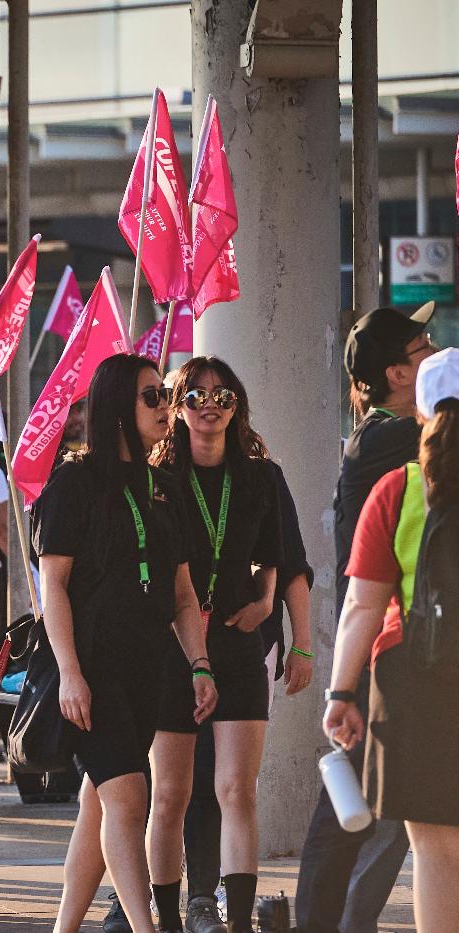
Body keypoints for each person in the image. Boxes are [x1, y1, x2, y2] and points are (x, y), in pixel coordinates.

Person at [32, 354, 215, 933]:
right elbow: (52, 586)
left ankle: (64, 928)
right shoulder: (74, 480)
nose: (166, 406)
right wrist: (69, 672)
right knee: (130, 798)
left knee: (101, 802)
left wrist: (200, 664)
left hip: (149, 667)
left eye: (164, 395)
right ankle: (147, 926)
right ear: (117, 406)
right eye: (152, 396)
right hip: (91, 666)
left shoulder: (165, 487)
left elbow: (184, 595)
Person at [295, 303, 437, 933]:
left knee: (394, 822)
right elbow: (363, 594)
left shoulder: (394, 436)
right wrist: (342, 687)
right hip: (390, 651)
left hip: (403, 649)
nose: (433, 352)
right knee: (352, 814)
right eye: (423, 348)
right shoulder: (391, 440)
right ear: (397, 375)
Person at [145, 357, 282, 933]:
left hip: (234, 641)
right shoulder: (160, 478)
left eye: (221, 394)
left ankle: (239, 917)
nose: (209, 404)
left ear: (236, 404)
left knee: (235, 790)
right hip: (173, 646)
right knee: (170, 792)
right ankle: (168, 917)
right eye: (195, 395)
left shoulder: (259, 475)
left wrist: (267, 599)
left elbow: (278, 550)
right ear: (177, 406)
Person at [325, 348, 459, 932]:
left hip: (411, 681)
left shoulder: (397, 489)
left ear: (422, 413)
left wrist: (340, 693)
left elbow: (363, 606)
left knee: (434, 853)